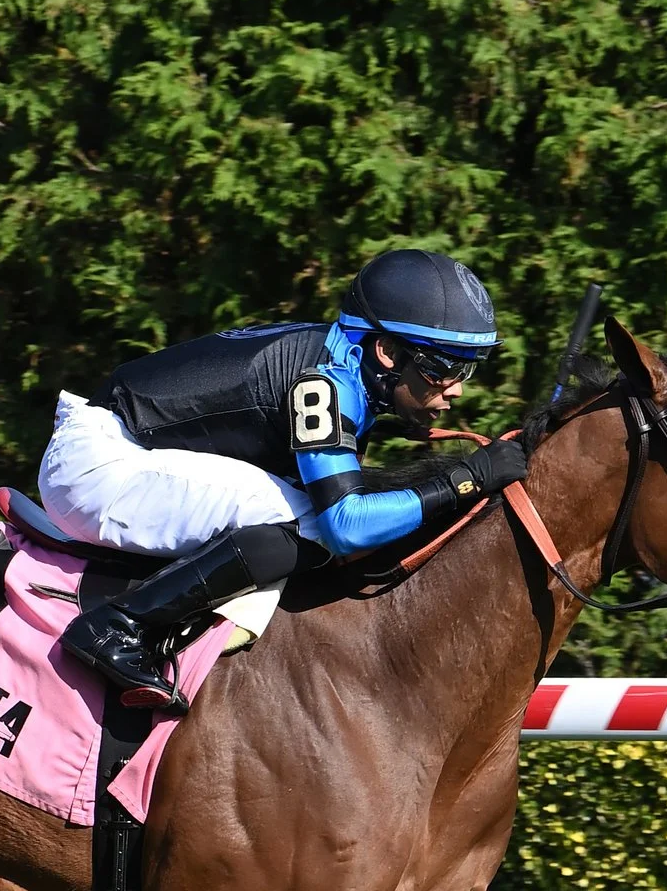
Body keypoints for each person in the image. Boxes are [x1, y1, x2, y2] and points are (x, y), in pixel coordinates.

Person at [41, 248, 531, 710]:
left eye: (468, 368)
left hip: (117, 449)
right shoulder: (322, 383)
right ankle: (119, 626)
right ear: (386, 351)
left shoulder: (343, 362)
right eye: (444, 368)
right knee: (313, 526)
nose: (459, 390)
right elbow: (348, 524)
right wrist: (469, 479)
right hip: (96, 467)